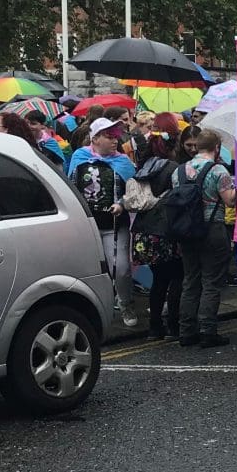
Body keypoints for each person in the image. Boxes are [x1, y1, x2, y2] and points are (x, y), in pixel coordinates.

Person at [68, 117, 139, 327]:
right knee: (92, 270)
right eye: (109, 136)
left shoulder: (123, 162)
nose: (115, 140)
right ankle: (99, 307)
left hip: (115, 225)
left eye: (116, 136)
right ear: (95, 138)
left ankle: (126, 303)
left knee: (122, 268)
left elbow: (134, 191)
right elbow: (71, 185)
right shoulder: (79, 157)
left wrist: (122, 204)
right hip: (87, 225)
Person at [172, 127, 237, 349]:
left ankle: (186, 331)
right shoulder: (219, 171)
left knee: (190, 280)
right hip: (213, 229)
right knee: (211, 281)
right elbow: (229, 201)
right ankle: (208, 330)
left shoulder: (179, 171)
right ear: (216, 148)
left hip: (186, 231)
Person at [131, 115, 186, 340]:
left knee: (158, 281)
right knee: (176, 279)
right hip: (168, 232)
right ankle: (173, 325)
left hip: (145, 232)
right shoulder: (174, 168)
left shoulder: (143, 167)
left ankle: (155, 328)